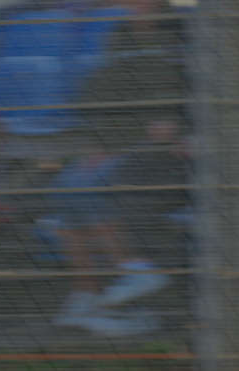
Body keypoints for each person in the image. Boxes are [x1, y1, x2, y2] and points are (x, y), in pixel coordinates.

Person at [50, 0, 185, 337]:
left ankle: (135, 270)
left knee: (93, 184)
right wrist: (99, 145)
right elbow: (107, 95)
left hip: (163, 152)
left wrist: (116, 146)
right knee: (65, 187)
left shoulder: (179, 32)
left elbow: (167, 112)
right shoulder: (120, 36)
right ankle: (86, 292)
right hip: (123, 142)